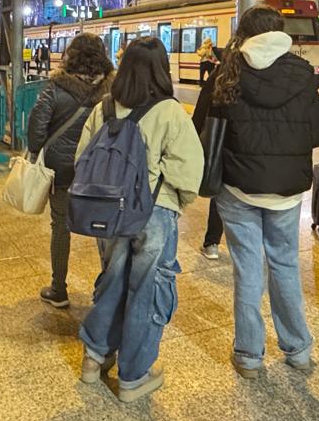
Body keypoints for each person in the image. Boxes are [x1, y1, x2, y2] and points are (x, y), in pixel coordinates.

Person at [203, 7, 319, 373]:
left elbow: (203, 130)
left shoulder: (226, 71)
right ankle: (298, 349)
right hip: (288, 190)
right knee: (285, 263)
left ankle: (249, 354)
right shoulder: (303, 73)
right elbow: (317, 132)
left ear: (243, 33)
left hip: (238, 187)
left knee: (247, 269)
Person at [76, 39, 202, 402]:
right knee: (146, 289)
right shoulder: (170, 111)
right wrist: (174, 199)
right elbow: (188, 172)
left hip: (108, 213)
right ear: (162, 69)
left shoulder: (104, 109)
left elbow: (84, 158)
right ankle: (134, 375)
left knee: (113, 279)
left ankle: (94, 357)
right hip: (153, 214)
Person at [28, 33, 114, 308]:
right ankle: (107, 291)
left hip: (63, 168)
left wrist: (37, 150)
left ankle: (58, 289)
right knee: (105, 229)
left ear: (71, 55)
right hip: (99, 169)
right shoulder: (114, 88)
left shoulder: (55, 87)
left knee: (61, 227)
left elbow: (36, 127)